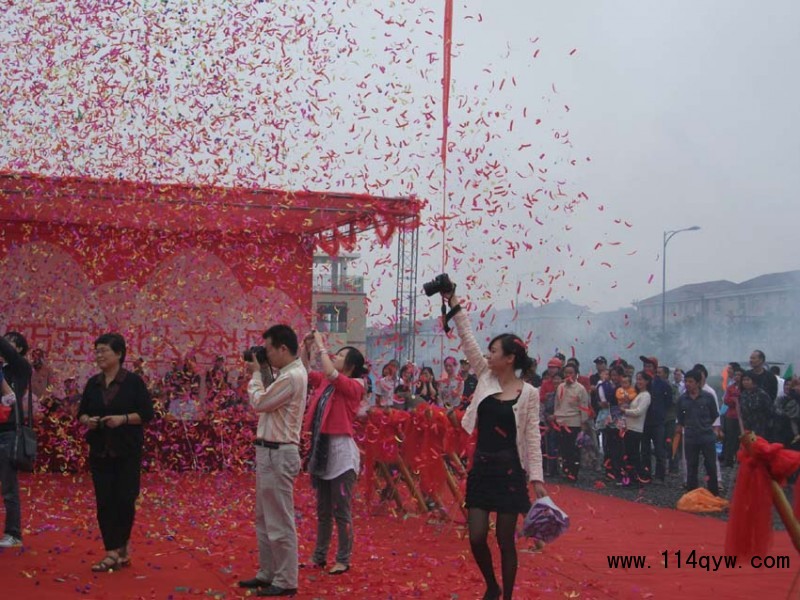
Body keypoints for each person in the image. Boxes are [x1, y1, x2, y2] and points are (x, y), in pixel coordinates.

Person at [443, 285, 546, 600]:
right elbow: (467, 338)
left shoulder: (529, 394)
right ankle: (491, 584)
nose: (488, 356)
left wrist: (537, 479)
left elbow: (532, 437)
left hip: (510, 471)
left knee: (504, 540)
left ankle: (507, 596)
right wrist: (452, 300)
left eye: (494, 352)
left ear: (510, 358)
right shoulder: (485, 377)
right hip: (482, 467)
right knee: (476, 536)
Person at [239, 324, 308, 597]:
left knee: (279, 519)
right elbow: (270, 395)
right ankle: (268, 572)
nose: (265, 354)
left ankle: (286, 579)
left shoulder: (292, 376)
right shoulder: (287, 374)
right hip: (269, 451)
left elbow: (260, 402)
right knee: (265, 519)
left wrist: (256, 374)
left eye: (268, 349)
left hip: (279, 452)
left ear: (283, 348)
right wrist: (263, 371)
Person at [77, 333, 154, 571]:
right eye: (97, 351)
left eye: (104, 351)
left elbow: (147, 414)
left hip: (127, 451)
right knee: (104, 501)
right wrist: (88, 420)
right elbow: (82, 413)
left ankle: (122, 547)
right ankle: (112, 552)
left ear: (119, 354)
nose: (99, 355)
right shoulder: (93, 383)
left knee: (125, 500)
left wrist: (123, 419)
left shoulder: (133, 382)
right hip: (100, 451)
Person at [301, 332, 366, 576]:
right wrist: (306, 347)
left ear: (351, 365)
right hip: (323, 449)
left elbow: (331, 373)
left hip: (342, 455)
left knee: (341, 511)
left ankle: (343, 558)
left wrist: (320, 345)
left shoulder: (356, 385)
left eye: (340, 356)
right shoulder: (327, 382)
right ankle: (319, 556)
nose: (335, 357)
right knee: (323, 510)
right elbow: (306, 372)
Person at [0, 331, 33, 549]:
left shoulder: (21, 368)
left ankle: (13, 533)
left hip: (8, 431)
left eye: (10, 342)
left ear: (19, 349)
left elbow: (8, 352)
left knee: (8, 486)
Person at [676, 369, 719, 496]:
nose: (687, 384)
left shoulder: (708, 397)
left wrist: (705, 425)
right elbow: (680, 418)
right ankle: (692, 493)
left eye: (691, 381)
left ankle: (713, 492)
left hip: (706, 436)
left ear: (698, 383)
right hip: (690, 436)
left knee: (710, 465)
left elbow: (714, 414)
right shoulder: (682, 399)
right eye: (686, 381)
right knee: (691, 465)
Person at [554, 363, 591, 481]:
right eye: (566, 373)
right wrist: (556, 417)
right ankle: (566, 470)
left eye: (571, 373)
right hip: (561, 421)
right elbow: (557, 404)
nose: (568, 375)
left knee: (573, 449)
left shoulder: (580, 389)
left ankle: (573, 472)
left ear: (576, 374)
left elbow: (584, 407)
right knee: (563, 448)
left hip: (574, 422)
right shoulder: (560, 387)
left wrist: (583, 423)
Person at [639, 356, 671, 484]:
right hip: (643, 421)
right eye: (645, 366)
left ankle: (659, 475)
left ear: (655, 368)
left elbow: (668, 402)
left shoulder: (663, 384)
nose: (646, 368)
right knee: (644, 450)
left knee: (659, 449)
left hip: (658, 422)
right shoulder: (640, 384)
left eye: (649, 366)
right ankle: (646, 474)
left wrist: (661, 413)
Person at [620, 371, 652, 486]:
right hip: (629, 427)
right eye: (637, 379)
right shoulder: (637, 394)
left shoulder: (646, 395)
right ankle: (630, 478)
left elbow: (639, 412)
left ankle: (639, 477)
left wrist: (625, 411)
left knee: (634, 455)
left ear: (647, 381)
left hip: (636, 428)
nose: (638, 382)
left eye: (641, 379)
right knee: (629, 454)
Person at [722, 364, 743, 467]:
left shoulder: (745, 388)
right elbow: (726, 400)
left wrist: (736, 399)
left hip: (742, 417)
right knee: (729, 439)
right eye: (736, 375)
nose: (737, 377)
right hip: (731, 416)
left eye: (739, 375)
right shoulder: (730, 387)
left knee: (742, 439)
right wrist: (735, 400)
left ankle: (740, 459)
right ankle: (728, 460)